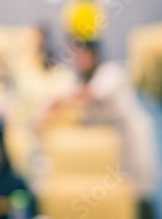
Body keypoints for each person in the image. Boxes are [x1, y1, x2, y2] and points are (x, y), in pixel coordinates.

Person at [47, 40, 158, 217]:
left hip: (132, 136)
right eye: (75, 56)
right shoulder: (79, 80)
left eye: (82, 55)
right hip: (111, 146)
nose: (78, 60)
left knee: (140, 192)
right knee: (120, 194)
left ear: (94, 56)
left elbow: (91, 93)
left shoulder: (109, 73)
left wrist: (59, 101)